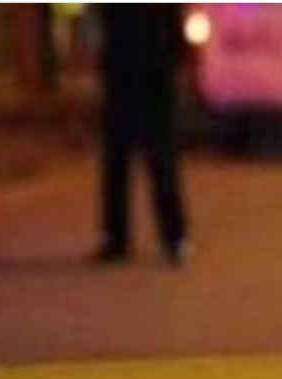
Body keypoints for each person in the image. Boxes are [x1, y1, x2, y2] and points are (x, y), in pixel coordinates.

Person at [94, 4, 189, 266]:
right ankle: (160, 237)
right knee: (128, 161)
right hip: (136, 72)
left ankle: (169, 237)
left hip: (144, 74)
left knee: (151, 160)